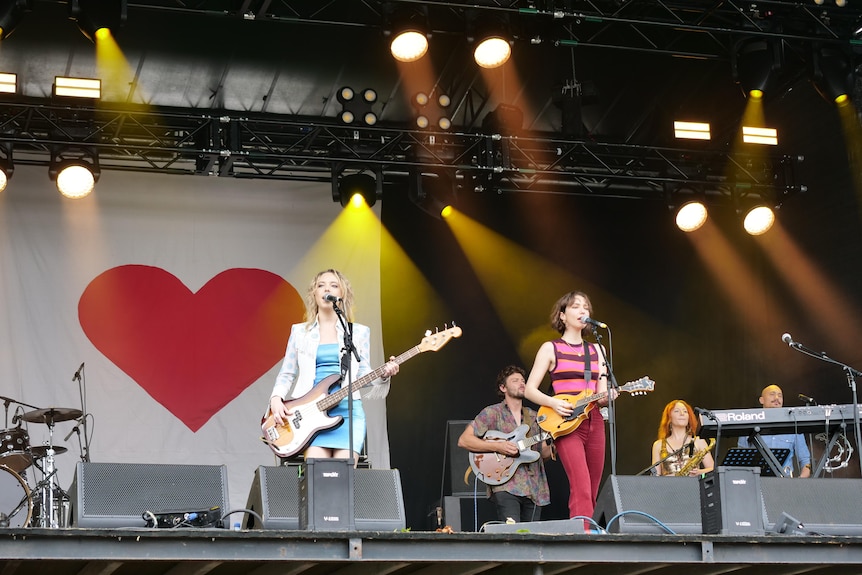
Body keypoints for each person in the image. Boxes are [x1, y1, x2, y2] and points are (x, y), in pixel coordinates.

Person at [268, 269, 399, 462]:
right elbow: (287, 373)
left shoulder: (358, 333)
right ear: (314, 293)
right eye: (321, 285)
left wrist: (384, 374)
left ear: (342, 294)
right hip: (311, 414)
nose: (326, 289)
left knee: (343, 480)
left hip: (348, 411)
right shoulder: (299, 332)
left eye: (333, 285)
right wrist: (276, 398)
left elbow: (363, 374)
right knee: (316, 477)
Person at [523, 290, 614, 521]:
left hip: (593, 419)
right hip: (566, 423)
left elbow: (600, 394)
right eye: (575, 306)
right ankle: (583, 539)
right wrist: (553, 402)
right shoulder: (550, 348)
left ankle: (588, 530)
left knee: (593, 487)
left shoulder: (597, 350)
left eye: (586, 306)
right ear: (562, 315)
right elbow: (529, 389)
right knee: (581, 484)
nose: (583, 310)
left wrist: (608, 396)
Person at [458, 365, 552, 523]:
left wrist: (556, 446)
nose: (521, 383)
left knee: (533, 541)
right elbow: (464, 440)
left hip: (534, 487)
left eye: (523, 381)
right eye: (515, 381)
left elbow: (542, 454)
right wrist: (498, 446)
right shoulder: (492, 413)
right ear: (503, 387)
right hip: (506, 485)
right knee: (511, 535)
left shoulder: (535, 417)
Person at [737, 384, 811, 478]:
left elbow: (805, 460)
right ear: (761, 400)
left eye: (780, 396)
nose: (777, 398)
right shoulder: (749, 425)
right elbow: (740, 460)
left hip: (785, 482)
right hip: (757, 482)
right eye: (772, 394)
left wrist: (799, 481)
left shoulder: (793, 426)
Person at [651, 400, 714, 476]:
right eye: (677, 411)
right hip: (668, 487)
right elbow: (655, 476)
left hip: (693, 486)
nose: (682, 414)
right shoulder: (658, 445)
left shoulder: (698, 441)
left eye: (685, 411)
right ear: (669, 418)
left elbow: (712, 469)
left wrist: (699, 472)